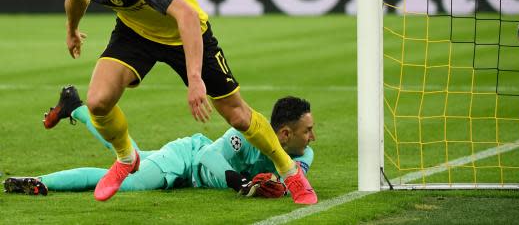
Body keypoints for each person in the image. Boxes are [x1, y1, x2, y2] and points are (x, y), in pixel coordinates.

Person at [44, 0, 317, 204]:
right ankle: (127, 157)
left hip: (185, 32)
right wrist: (71, 30)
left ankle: (291, 172)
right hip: (136, 32)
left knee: (237, 115)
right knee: (98, 102)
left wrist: (195, 78)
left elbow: (185, 15)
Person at [5, 90, 315, 199]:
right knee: (124, 181)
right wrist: (240, 182)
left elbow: (286, 183)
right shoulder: (247, 135)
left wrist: (271, 187)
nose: (312, 138)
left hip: (185, 172)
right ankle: (40, 181)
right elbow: (208, 155)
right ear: (284, 134)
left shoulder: (304, 154)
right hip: (184, 160)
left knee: (128, 153)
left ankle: (75, 107)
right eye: (307, 131)